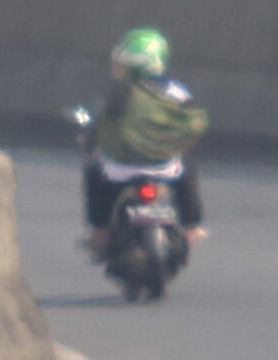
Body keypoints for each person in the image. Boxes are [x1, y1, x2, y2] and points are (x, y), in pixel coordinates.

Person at [83, 28, 209, 254]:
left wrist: (90, 142)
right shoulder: (176, 91)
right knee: (187, 167)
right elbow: (193, 123)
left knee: (93, 171)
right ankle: (193, 226)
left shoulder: (119, 92)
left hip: (120, 170)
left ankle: (99, 231)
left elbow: (100, 127)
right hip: (166, 169)